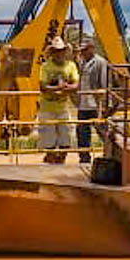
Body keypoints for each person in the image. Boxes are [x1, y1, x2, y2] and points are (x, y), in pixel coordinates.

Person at [36, 36, 79, 165]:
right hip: (47, 108)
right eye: (56, 51)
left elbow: (77, 83)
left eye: (61, 50)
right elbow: (42, 86)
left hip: (63, 107)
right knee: (48, 139)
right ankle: (51, 159)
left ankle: (61, 159)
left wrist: (66, 88)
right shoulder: (46, 66)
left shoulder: (71, 66)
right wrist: (56, 88)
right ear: (52, 52)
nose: (59, 53)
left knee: (66, 138)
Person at [75, 38, 112, 164]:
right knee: (82, 133)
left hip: (96, 104)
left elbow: (104, 84)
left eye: (85, 50)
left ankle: (109, 156)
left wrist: (103, 106)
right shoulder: (81, 62)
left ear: (92, 49)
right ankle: (84, 159)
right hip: (83, 104)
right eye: (82, 51)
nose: (83, 53)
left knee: (103, 132)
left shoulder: (101, 62)